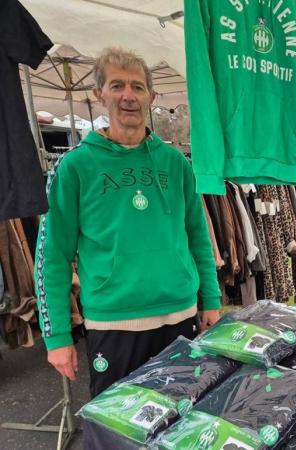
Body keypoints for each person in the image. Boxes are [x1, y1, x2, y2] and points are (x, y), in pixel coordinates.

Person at [35, 48, 221, 397]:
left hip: (181, 316)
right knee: (119, 431)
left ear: (151, 96)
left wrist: (210, 299)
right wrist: (57, 335)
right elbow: (52, 257)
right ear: (99, 93)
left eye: (137, 87)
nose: (128, 95)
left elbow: (197, 236)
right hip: (114, 324)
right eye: (117, 85)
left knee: (186, 420)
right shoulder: (75, 167)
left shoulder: (175, 163)